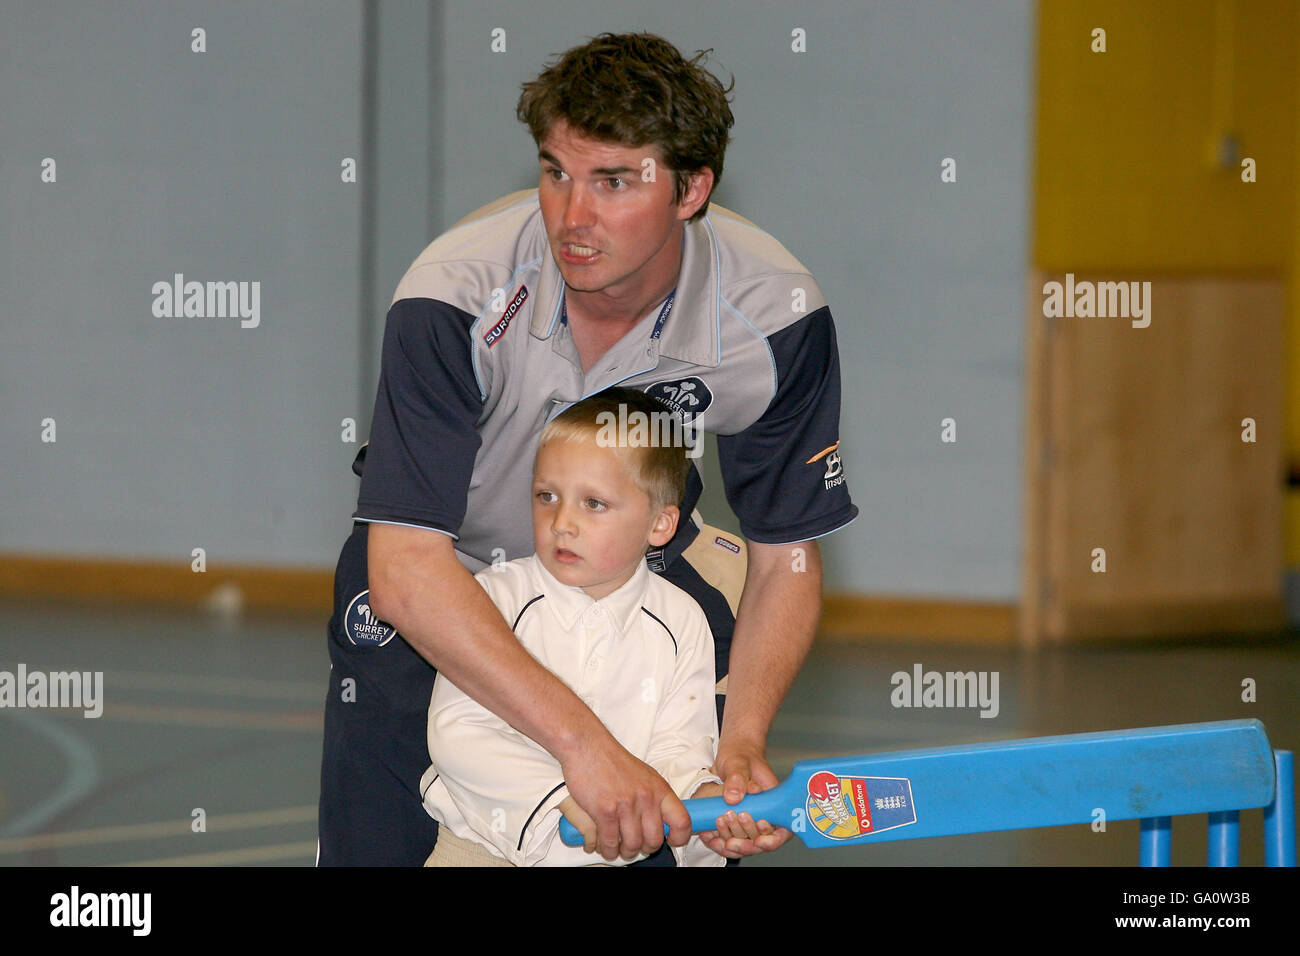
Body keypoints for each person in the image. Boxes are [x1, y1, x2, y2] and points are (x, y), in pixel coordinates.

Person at [318, 31, 857, 867]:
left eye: (613, 182)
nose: (572, 216)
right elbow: (404, 568)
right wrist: (585, 746)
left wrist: (741, 742)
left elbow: (784, 555)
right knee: (380, 843)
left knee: (682, 827)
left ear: (692, 189)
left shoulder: (777, 315)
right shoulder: (453, 296)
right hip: (444, 567)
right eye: (555, 172)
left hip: (635, 564)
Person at [422, 389, 735, 867]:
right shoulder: (492, 599)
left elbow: (678, 750)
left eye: (593, 503)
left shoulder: (684, 622)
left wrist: (708, 806)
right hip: (478, 848)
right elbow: (459, 730)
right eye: (547, 496)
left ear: (660, 524)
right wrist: (557, 797)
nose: (562, 522)